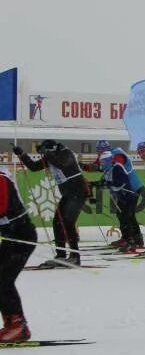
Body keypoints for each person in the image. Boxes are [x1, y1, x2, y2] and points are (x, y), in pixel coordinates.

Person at [13, 140, 86, 267]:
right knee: (58, 222)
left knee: (67, 223)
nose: (45, 154)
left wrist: (46, 153)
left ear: (53, 148)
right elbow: (34, 167)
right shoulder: (50, 156)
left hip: (78, 191)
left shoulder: (66, 153)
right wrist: (22, 154)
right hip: (68, 193)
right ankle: (61, 255)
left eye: (47, 151)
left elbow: (63, 164)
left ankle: (75, 257)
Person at [0, 166, 37, 341]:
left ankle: (18, 326)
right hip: (10, 235)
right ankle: (11, 322)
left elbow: (1, 207)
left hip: (21, 236)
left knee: (3, 280)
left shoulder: (1, 179)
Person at [98, 148, 145, 252]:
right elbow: (107, 179)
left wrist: (108, 183)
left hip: (131, 192)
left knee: (127, 215)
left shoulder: (117, 166)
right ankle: (130, 239)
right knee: (123, 215)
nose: (101, 163)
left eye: (103, 161)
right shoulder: (108, 168)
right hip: (123, 195)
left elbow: (121, 181)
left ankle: (132, 241)